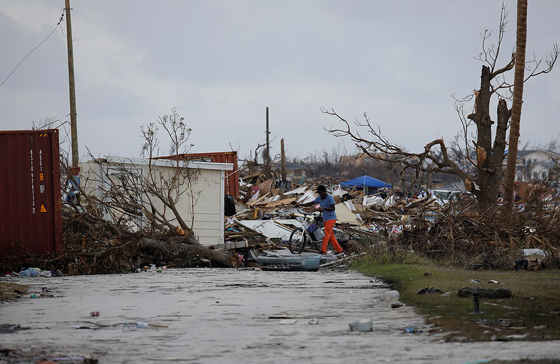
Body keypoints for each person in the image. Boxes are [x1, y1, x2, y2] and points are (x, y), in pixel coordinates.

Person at [300, 185, 344, 255]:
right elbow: (311, 203)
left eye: (321, 193)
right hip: (325, 219)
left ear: (324, 191)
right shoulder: (319, 198)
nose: (320, 194)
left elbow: (333, 208)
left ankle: (323, 251)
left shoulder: (330, 198)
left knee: (326, 234)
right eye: (319, 193)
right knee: (331, 236)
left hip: (331, 218)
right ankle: (339, 250)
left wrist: (323, 209)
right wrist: (299, 204)